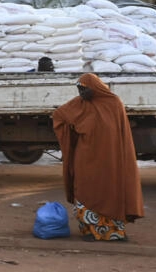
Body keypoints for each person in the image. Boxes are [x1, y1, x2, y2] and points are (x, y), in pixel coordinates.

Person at [52, 73, 144, 241]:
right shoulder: (79, 104)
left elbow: (122, 136)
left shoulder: (114, 103)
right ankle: (89, 231)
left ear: (94, 88)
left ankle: (114, 233)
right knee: (85, 189)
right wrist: (70, 133)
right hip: (85, 158)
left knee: (111, 191)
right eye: (79, 89)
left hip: (111, 159)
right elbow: (59, 115)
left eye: (84, 89)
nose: (81, 93)